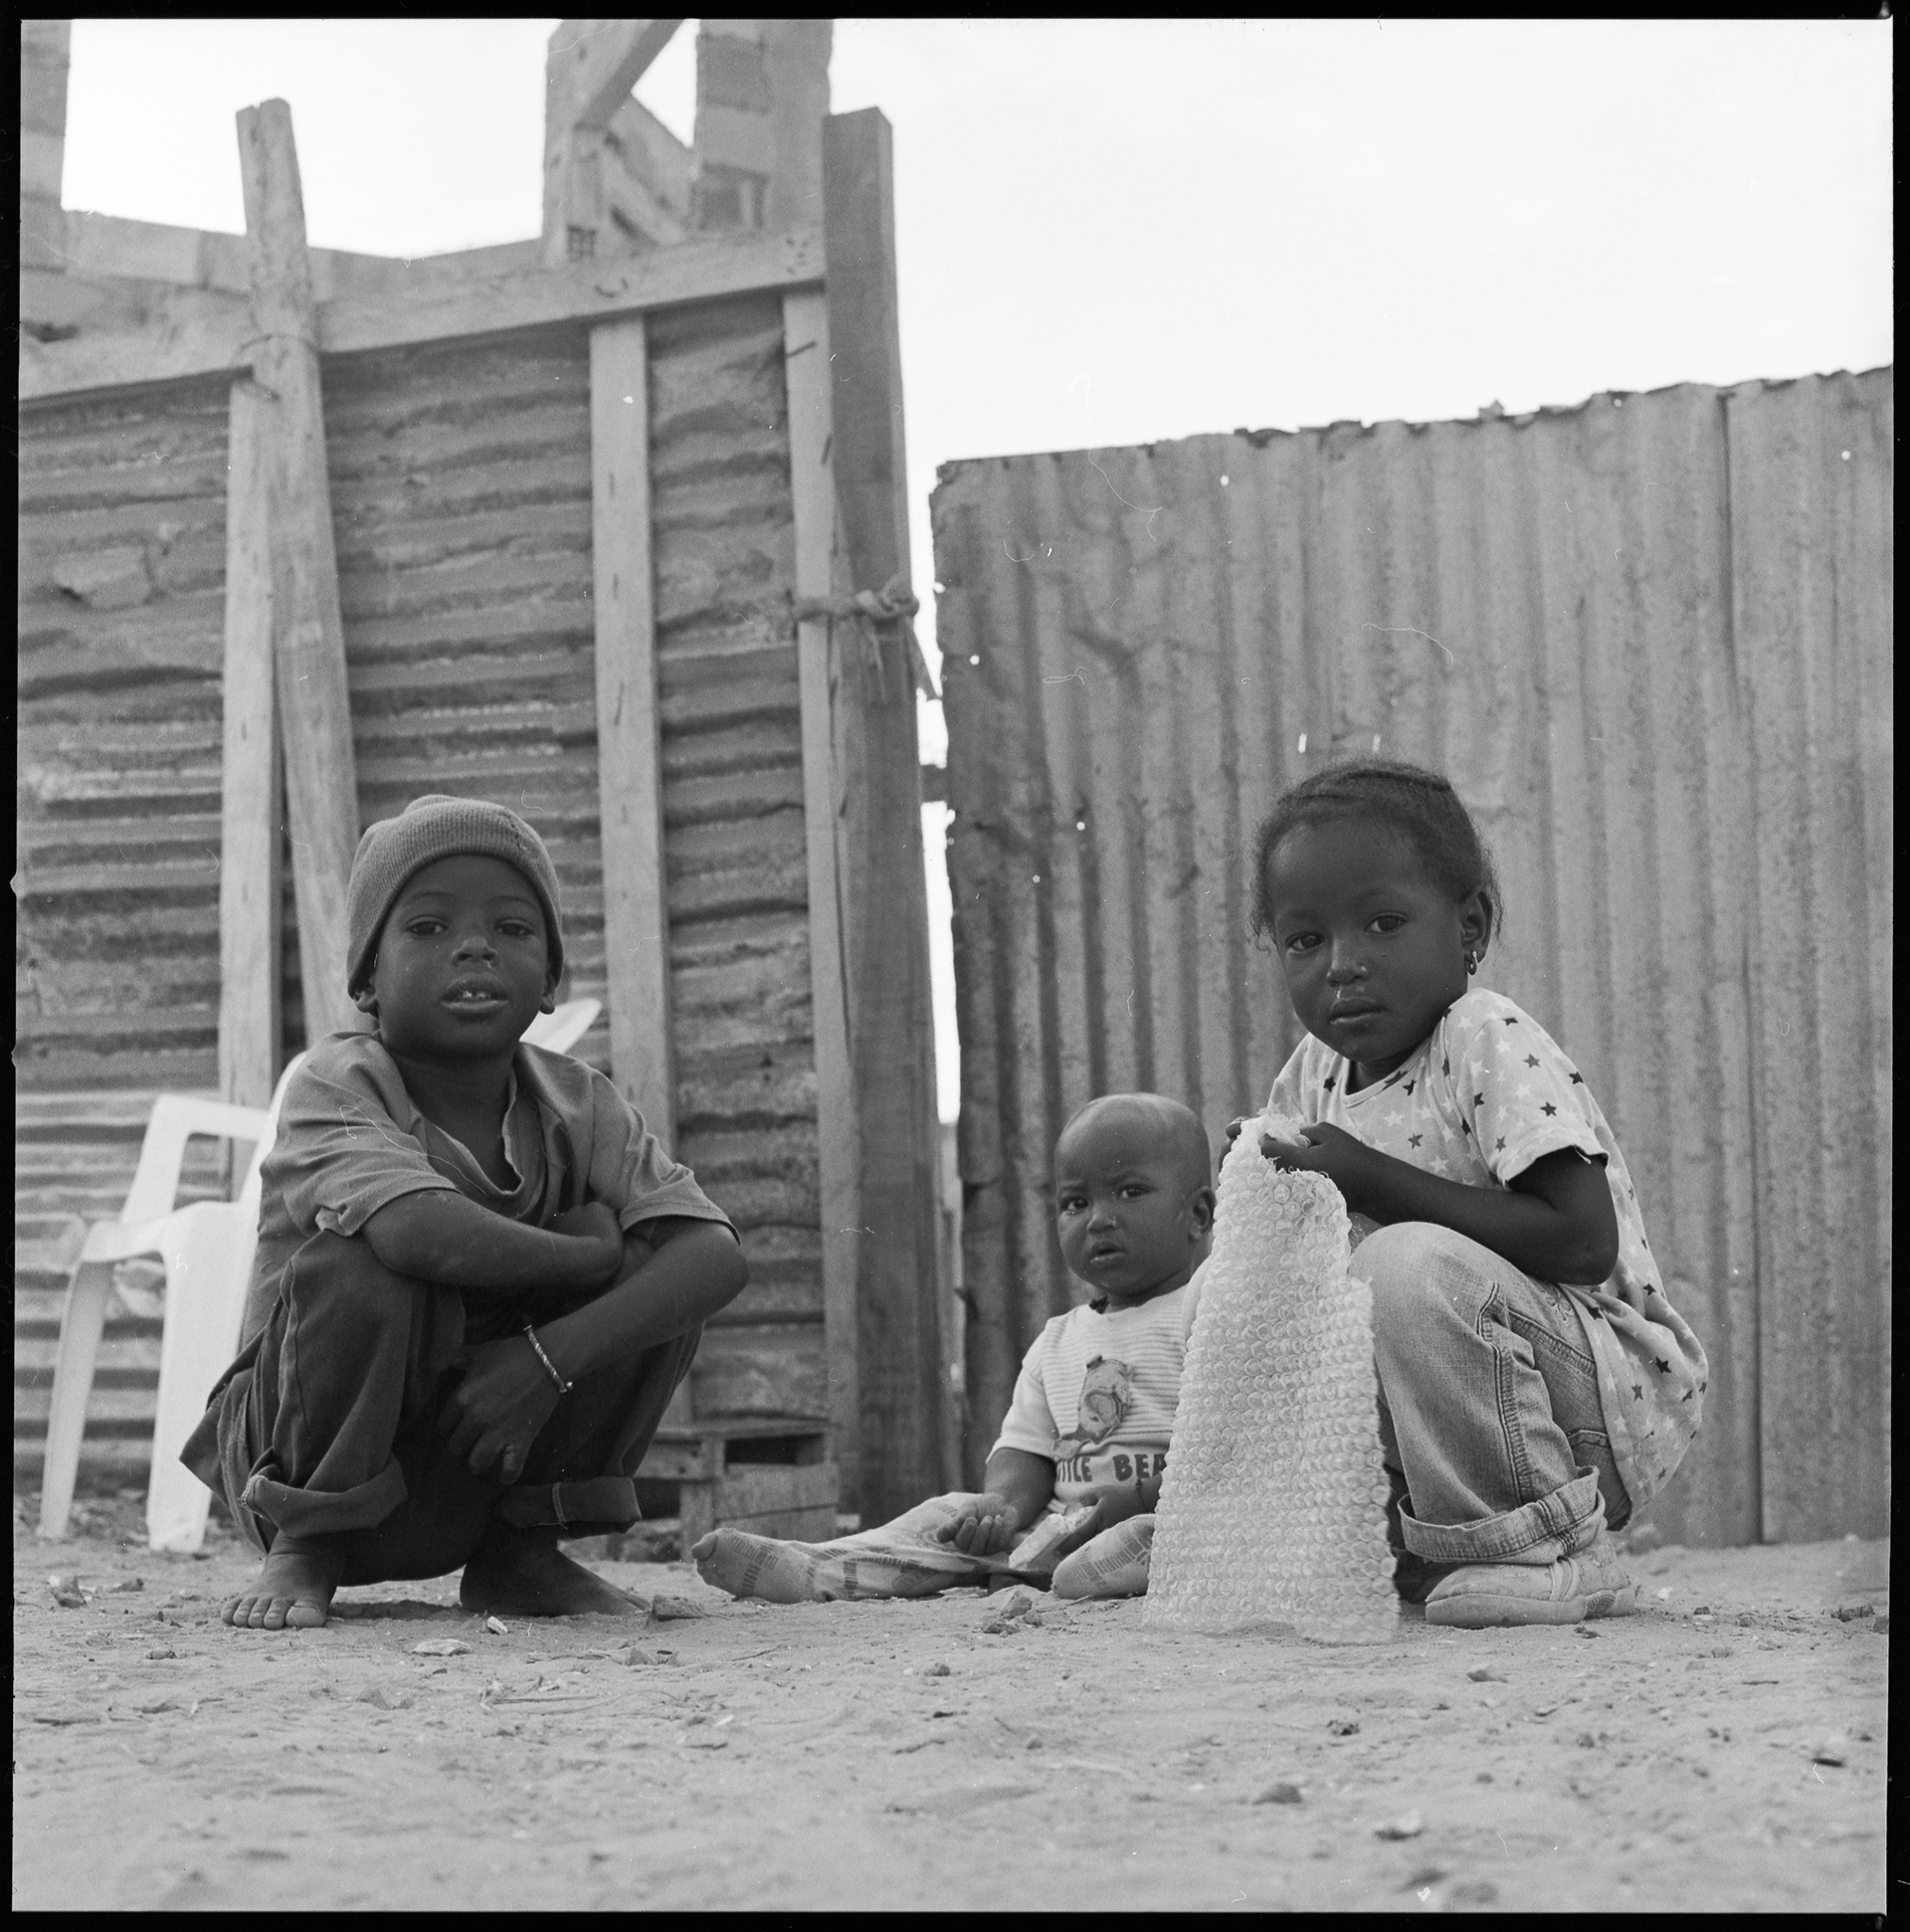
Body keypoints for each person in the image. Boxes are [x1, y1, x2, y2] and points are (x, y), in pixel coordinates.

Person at [182, 795, 748, 1631]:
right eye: (428, 927)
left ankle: (522, 1554)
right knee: (363, 1263)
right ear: (366, 980)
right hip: (298, 1461)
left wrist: (543, 1363)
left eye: (512, 929)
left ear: (550, 980)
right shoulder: (337, 1081)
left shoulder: (579, 1102)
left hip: (483, 1456)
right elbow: (417, 1231)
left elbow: (715, 1254)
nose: (475, 946)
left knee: (657, 1269)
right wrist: (586, 1256)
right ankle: (307, 1546)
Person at [1241, 758, 1706, 1628]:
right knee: (1234, 1296)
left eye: (1383, 924)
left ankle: (1546, 1549)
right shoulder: (1311, 1077)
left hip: (1591, 1406)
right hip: (1432, 1427)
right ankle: (1259, 1530)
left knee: (1401, 1265)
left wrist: (1372, 1179)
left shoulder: (1481, 1036)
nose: (1343, 965)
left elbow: (1582, 1242)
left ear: (1470, 927)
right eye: (1305, 940)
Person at [691, 1092, 1215, 1604]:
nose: (1098, 1219)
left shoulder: (1209, 1313)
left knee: (1171, 1531)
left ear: (1197, 1215)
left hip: (1164, 1514)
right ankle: (817, 1566)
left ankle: (1100, 1568)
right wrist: (1002, 1507)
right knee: (943, 1515)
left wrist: (1139, 1498)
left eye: (1130, 1192)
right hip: (1058, 1528)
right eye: (1076, 1203)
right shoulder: (1057, 1339)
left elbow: (1228, 1446)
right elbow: (1026, 1449)